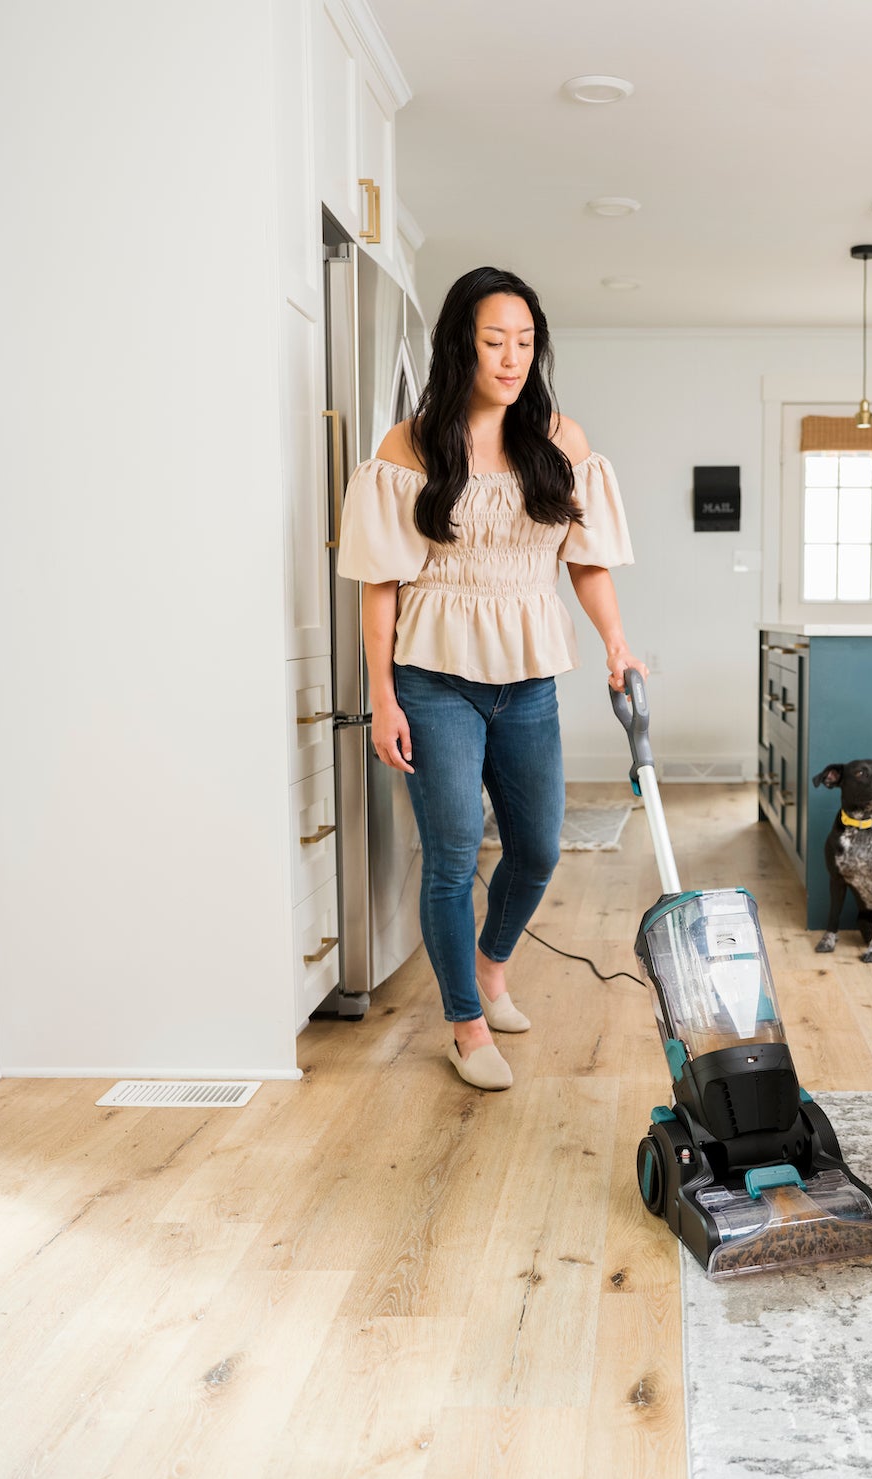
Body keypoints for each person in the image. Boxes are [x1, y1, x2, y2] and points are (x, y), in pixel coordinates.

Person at [336, 266, 643, 1091]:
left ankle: (490, 966)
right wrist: (382, 699)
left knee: (538, 846)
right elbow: (381, 587)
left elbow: (587, 564)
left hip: (527, 679)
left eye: (525, 342)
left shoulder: (559, 441)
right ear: (460, 346)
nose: (512, 358)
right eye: (494, 341)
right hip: (432, 678)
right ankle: (467, 1026)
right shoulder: (410, 445)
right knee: (452, 854)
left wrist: (616, 643)